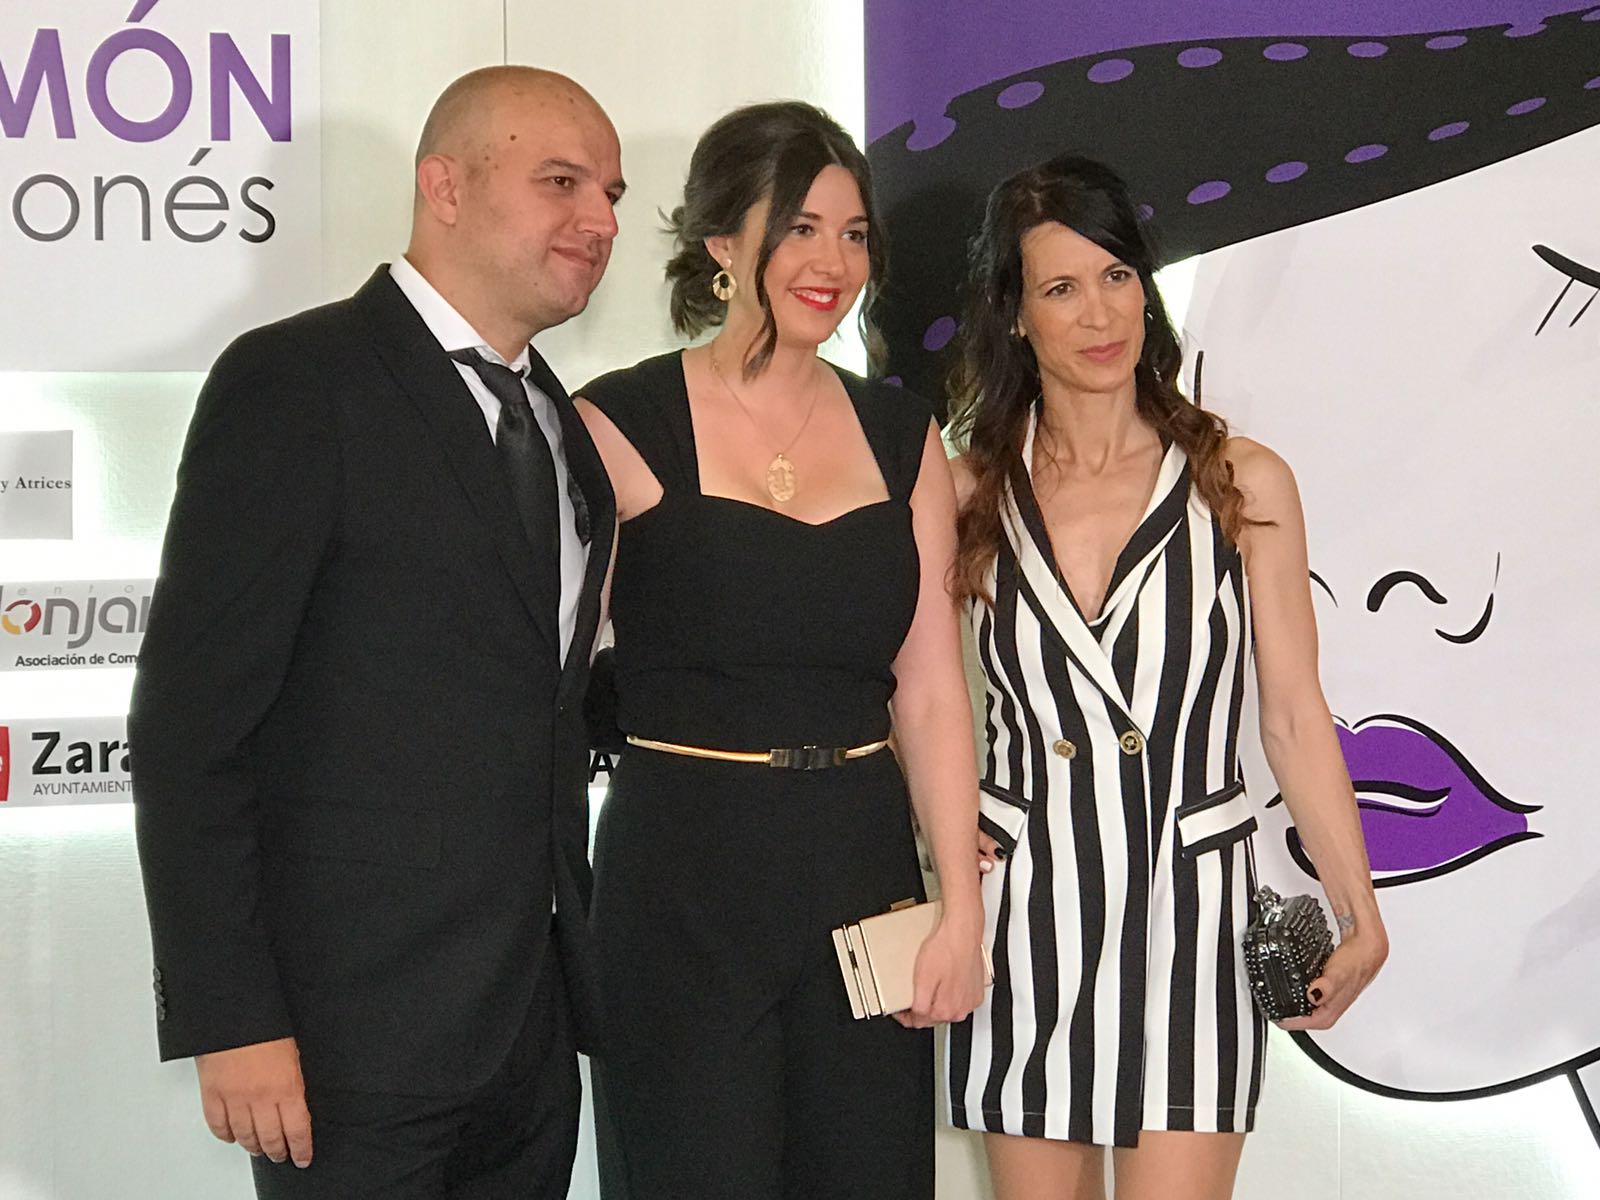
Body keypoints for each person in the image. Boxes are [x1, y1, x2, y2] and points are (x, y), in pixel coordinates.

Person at [128, 66, 623, 1199]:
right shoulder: (296, 382)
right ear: (443, 187)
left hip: (529, 1035)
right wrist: (231, 1017)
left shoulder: (560, 423)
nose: (599, 220)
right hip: (345, 1039)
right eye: (561, 183)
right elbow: (191, 728)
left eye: (609, 191)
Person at [943, 155, 1388, 1200]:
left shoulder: (1241, 481)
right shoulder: (965, 493)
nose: (1100, 314)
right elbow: (903, 687)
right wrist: (936, 824)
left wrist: (1357, 907)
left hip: (1190, 913)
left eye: (1117, 276)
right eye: (1061, 287)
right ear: (1014, 315)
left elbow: (1291, 715)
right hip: (1028, 913)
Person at [574, 101, 989, 1199]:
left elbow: (931, 691)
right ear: (721, 240)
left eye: (853, 235)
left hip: (860, 869)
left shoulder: (902, 436)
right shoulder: (617, 421)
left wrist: (961, 910)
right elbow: (544, 674)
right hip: (679, 870)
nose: (832, 263)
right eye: (799, 228)